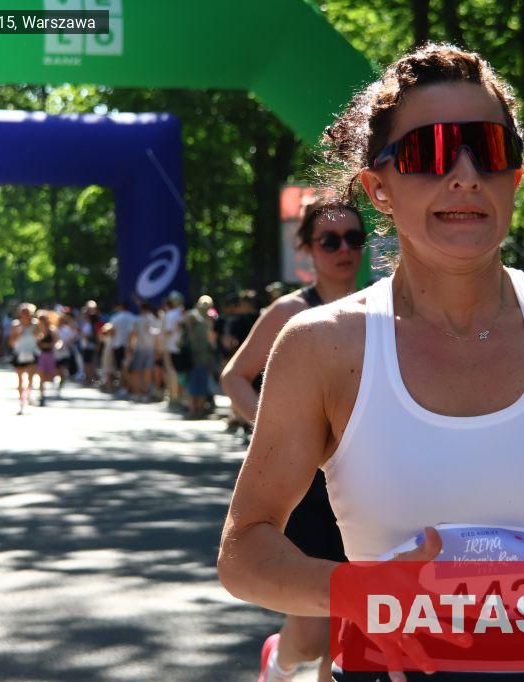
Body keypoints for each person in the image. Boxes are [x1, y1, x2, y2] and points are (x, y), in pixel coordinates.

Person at [218, 43, 524, 681]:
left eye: (490, 149)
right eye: (430, 152)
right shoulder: (322, 346)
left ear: (515, 177)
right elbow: (245, 548)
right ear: (378, 187)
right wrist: (357, 594)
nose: (466, 174)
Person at [221, 197, 364, 682]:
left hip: (365, 484)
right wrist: (279, 433)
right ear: (307, 249)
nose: (343, 250)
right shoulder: (291, 311)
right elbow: (235, 376)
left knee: (351, 626)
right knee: (312, 629)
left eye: (353, 238)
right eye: (330, 241)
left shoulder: (382, 308)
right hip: (307, 488)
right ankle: (279, 662)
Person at [182, 295, 216, 420]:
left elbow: (211, 339)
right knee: (193, 384)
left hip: (204, 357)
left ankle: (199, 410)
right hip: (192, 356)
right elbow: (187, 326)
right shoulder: (193, 316)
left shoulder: (209, 319)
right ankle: (193, 410)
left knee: (201, 384)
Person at [10, 303, 40, 415]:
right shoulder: (15, 325)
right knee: (20, 379)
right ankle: (21, 401)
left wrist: (36, 334)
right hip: (19, 353)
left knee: (31, 378)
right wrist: (18, 334)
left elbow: (40, 337)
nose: (25, 315)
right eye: (23, 312)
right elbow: (11, 342)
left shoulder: (36, 324)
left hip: (32, 353)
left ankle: (28, 395)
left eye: (27, 312)